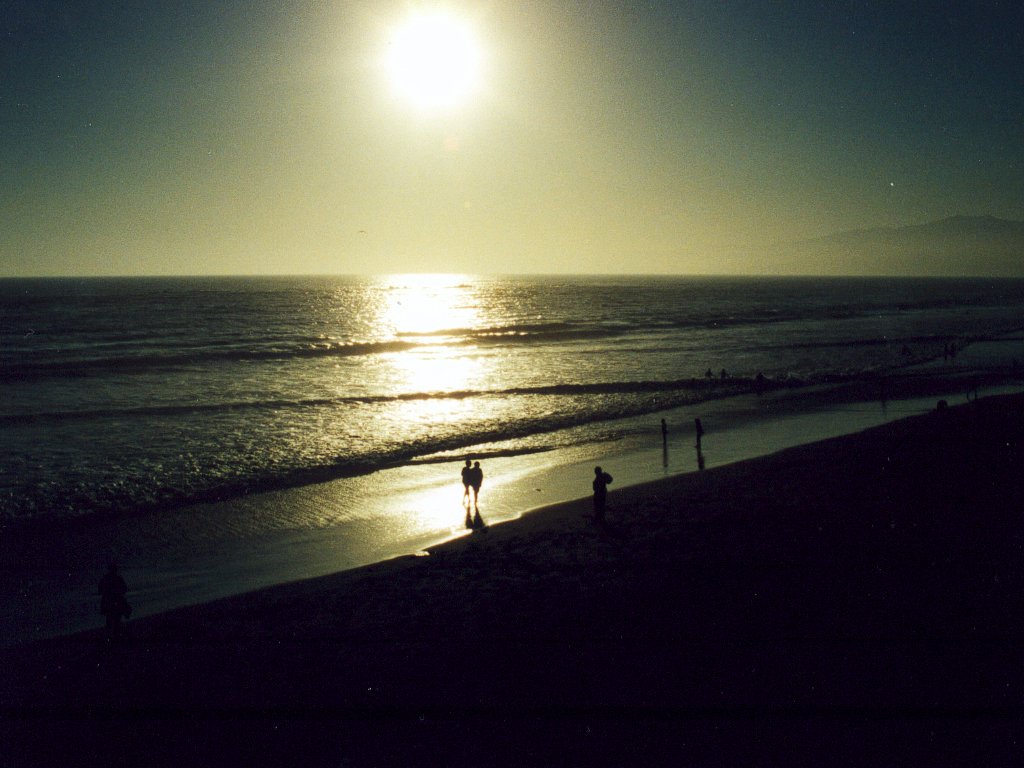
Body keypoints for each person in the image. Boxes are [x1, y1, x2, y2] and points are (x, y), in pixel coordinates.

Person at [98, 563, 130, 639]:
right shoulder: (118, 578)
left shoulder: (105, 578)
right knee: (116, 620)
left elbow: (100, 590)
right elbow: (124, 589)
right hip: (116, 602)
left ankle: (110, 638)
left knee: (109, 621)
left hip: (108, 603)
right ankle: (116, 637)